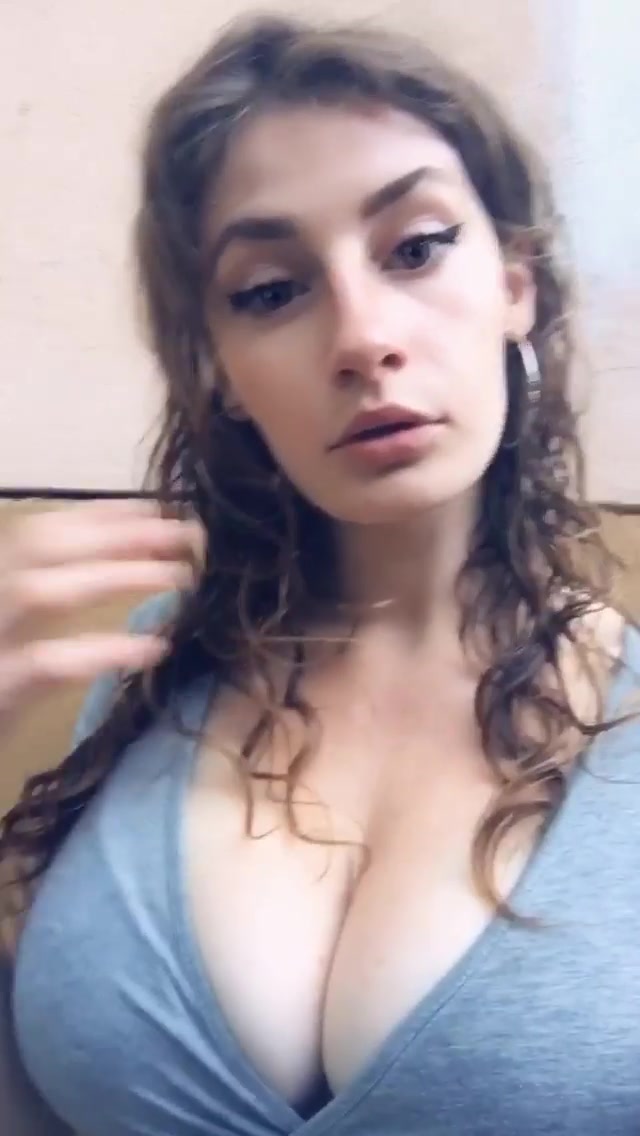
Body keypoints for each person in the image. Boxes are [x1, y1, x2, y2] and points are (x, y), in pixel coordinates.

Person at [1, 12, 638, 1135]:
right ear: (219, 369)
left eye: (416, 247)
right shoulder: (146, 675)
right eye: (270, 290)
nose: (361, 335)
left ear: (516, 286)